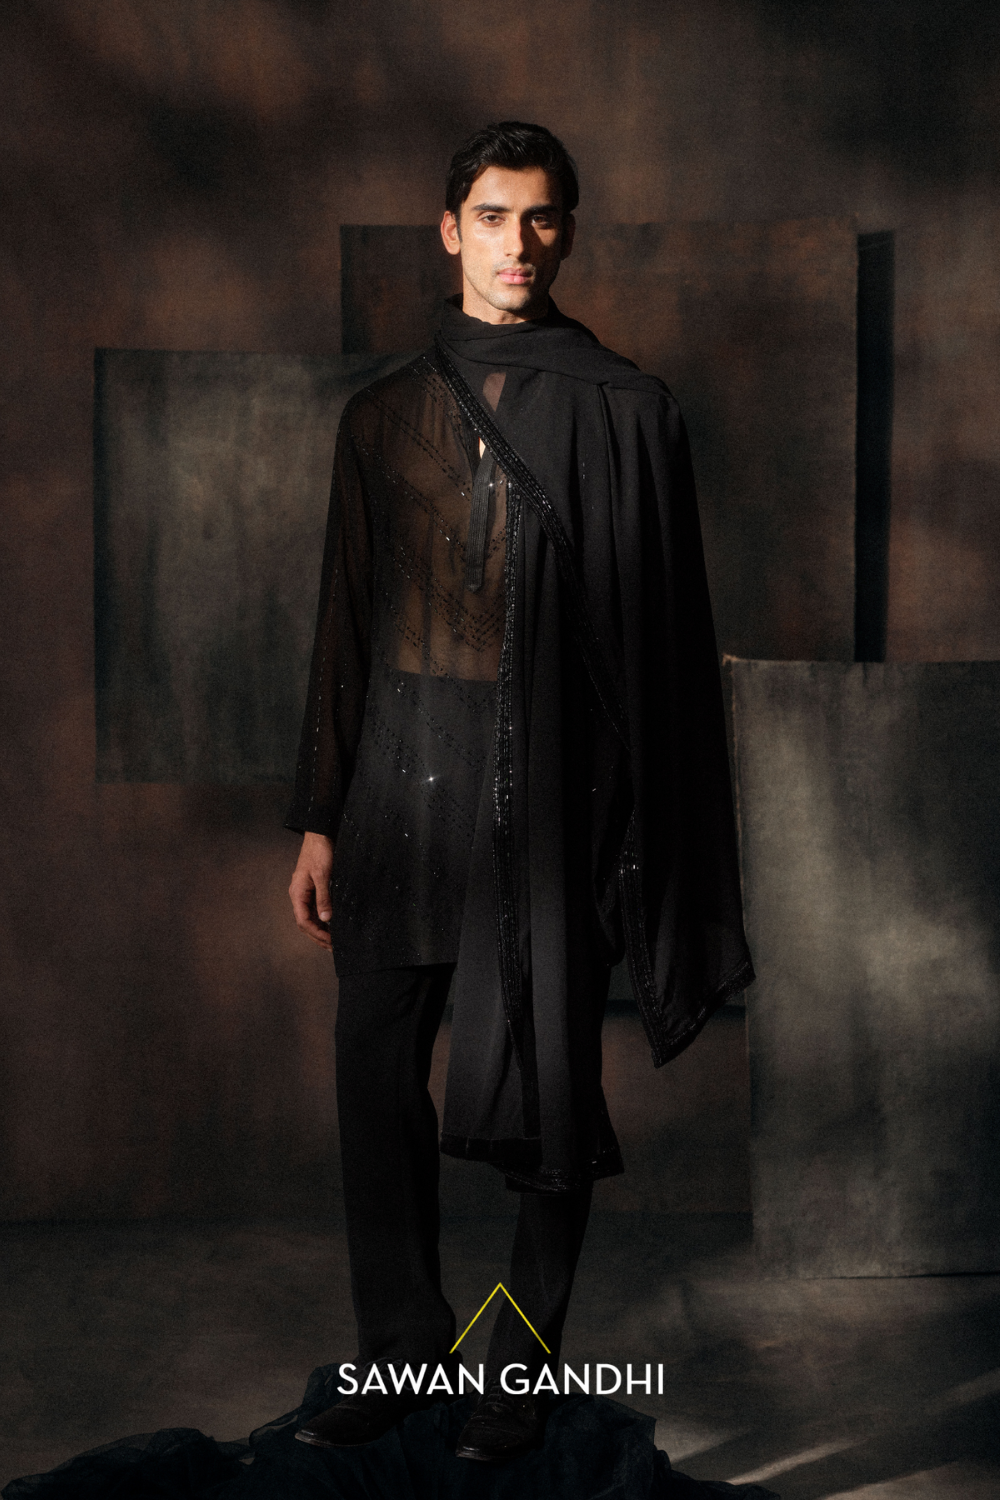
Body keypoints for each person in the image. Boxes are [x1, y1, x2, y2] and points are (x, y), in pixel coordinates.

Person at [285, 121, 753, 1464]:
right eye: (492, 216)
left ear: (568, 232)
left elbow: (664, 642)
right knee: (375, 1072)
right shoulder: (381, 415)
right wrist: (319, 814)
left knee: (551, 1079)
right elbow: (346, 623)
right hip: (400, 785)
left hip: (550, 792)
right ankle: (401, 1352)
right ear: (450, 231)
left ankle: (516, 1376)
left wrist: (638, 818)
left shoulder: (628, 410)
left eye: (541, 218)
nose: (518, 244)